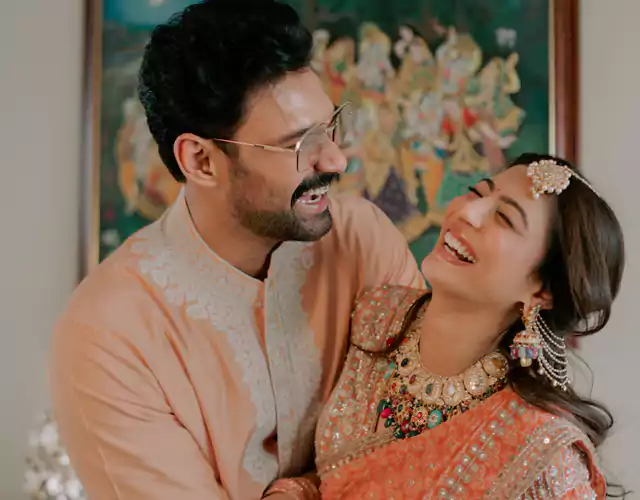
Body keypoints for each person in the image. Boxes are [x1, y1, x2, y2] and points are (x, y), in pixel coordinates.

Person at [49, 2, 424, 499]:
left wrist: (300, 491)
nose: (336, 159)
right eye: (299, 143)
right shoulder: (109, 335)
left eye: (330, 125)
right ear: (201, 160)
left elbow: (433, 433)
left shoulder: (361, 238)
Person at [315, 153, 625, 499]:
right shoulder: (377, 315)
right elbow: (326, 481)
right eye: (476, 193)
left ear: (543, 291)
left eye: (504, 218)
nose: (466, 212)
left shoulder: (541, 456)